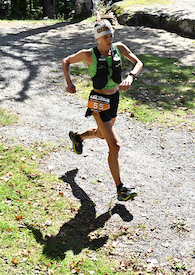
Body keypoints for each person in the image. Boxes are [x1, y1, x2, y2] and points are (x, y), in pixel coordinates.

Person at [61, 18, 143, 202]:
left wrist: (130, 76)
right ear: (98, 38)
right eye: (105, 36)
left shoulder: (119, 48)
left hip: (114, 99)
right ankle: (120, 189)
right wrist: (69, 83)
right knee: (115, 145)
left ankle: (78, 137)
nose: (109, 39)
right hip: (98, 101)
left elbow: (138, 62)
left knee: (101, 134)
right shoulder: (88, 54)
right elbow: (66, 61)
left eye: (111, 35)